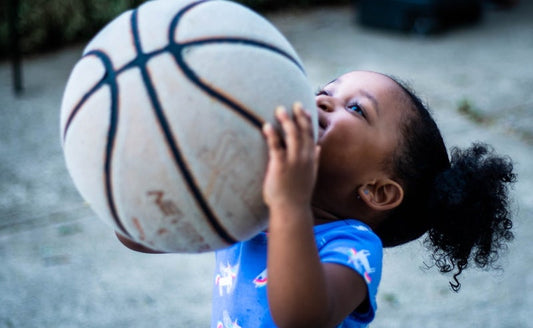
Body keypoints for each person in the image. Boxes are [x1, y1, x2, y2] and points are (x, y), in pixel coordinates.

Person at [117, 70, 516, 328]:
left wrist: (287, 204)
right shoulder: (249, 204)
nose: (321, 101)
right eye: (325, 91)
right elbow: (140, 234)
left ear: (377, 191)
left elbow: (300, 317)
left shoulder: (354, 247)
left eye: (356, 109)